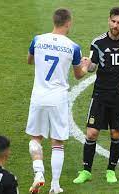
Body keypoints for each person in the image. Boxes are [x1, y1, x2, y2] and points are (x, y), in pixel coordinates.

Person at [72, 7, 119, 184]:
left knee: (116, 133)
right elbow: (93, 67)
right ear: (109, 20)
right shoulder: (98, 43)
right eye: (113, 21)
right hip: (100, 95)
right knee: (91, 133)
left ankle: (111, 170)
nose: (115, 25)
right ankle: (86, 171)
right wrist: (86, 65)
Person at [26, 8, 90, 194]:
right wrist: (85, 65)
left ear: (54, 21)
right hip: (58, 98)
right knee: (57, 142)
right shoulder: (73, 47)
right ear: (68, 23)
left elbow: (29, 60)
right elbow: (79, 75)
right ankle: (55, 185)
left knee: (35, 138)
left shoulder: (37, 40)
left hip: (38, 96)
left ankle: (39, 174)